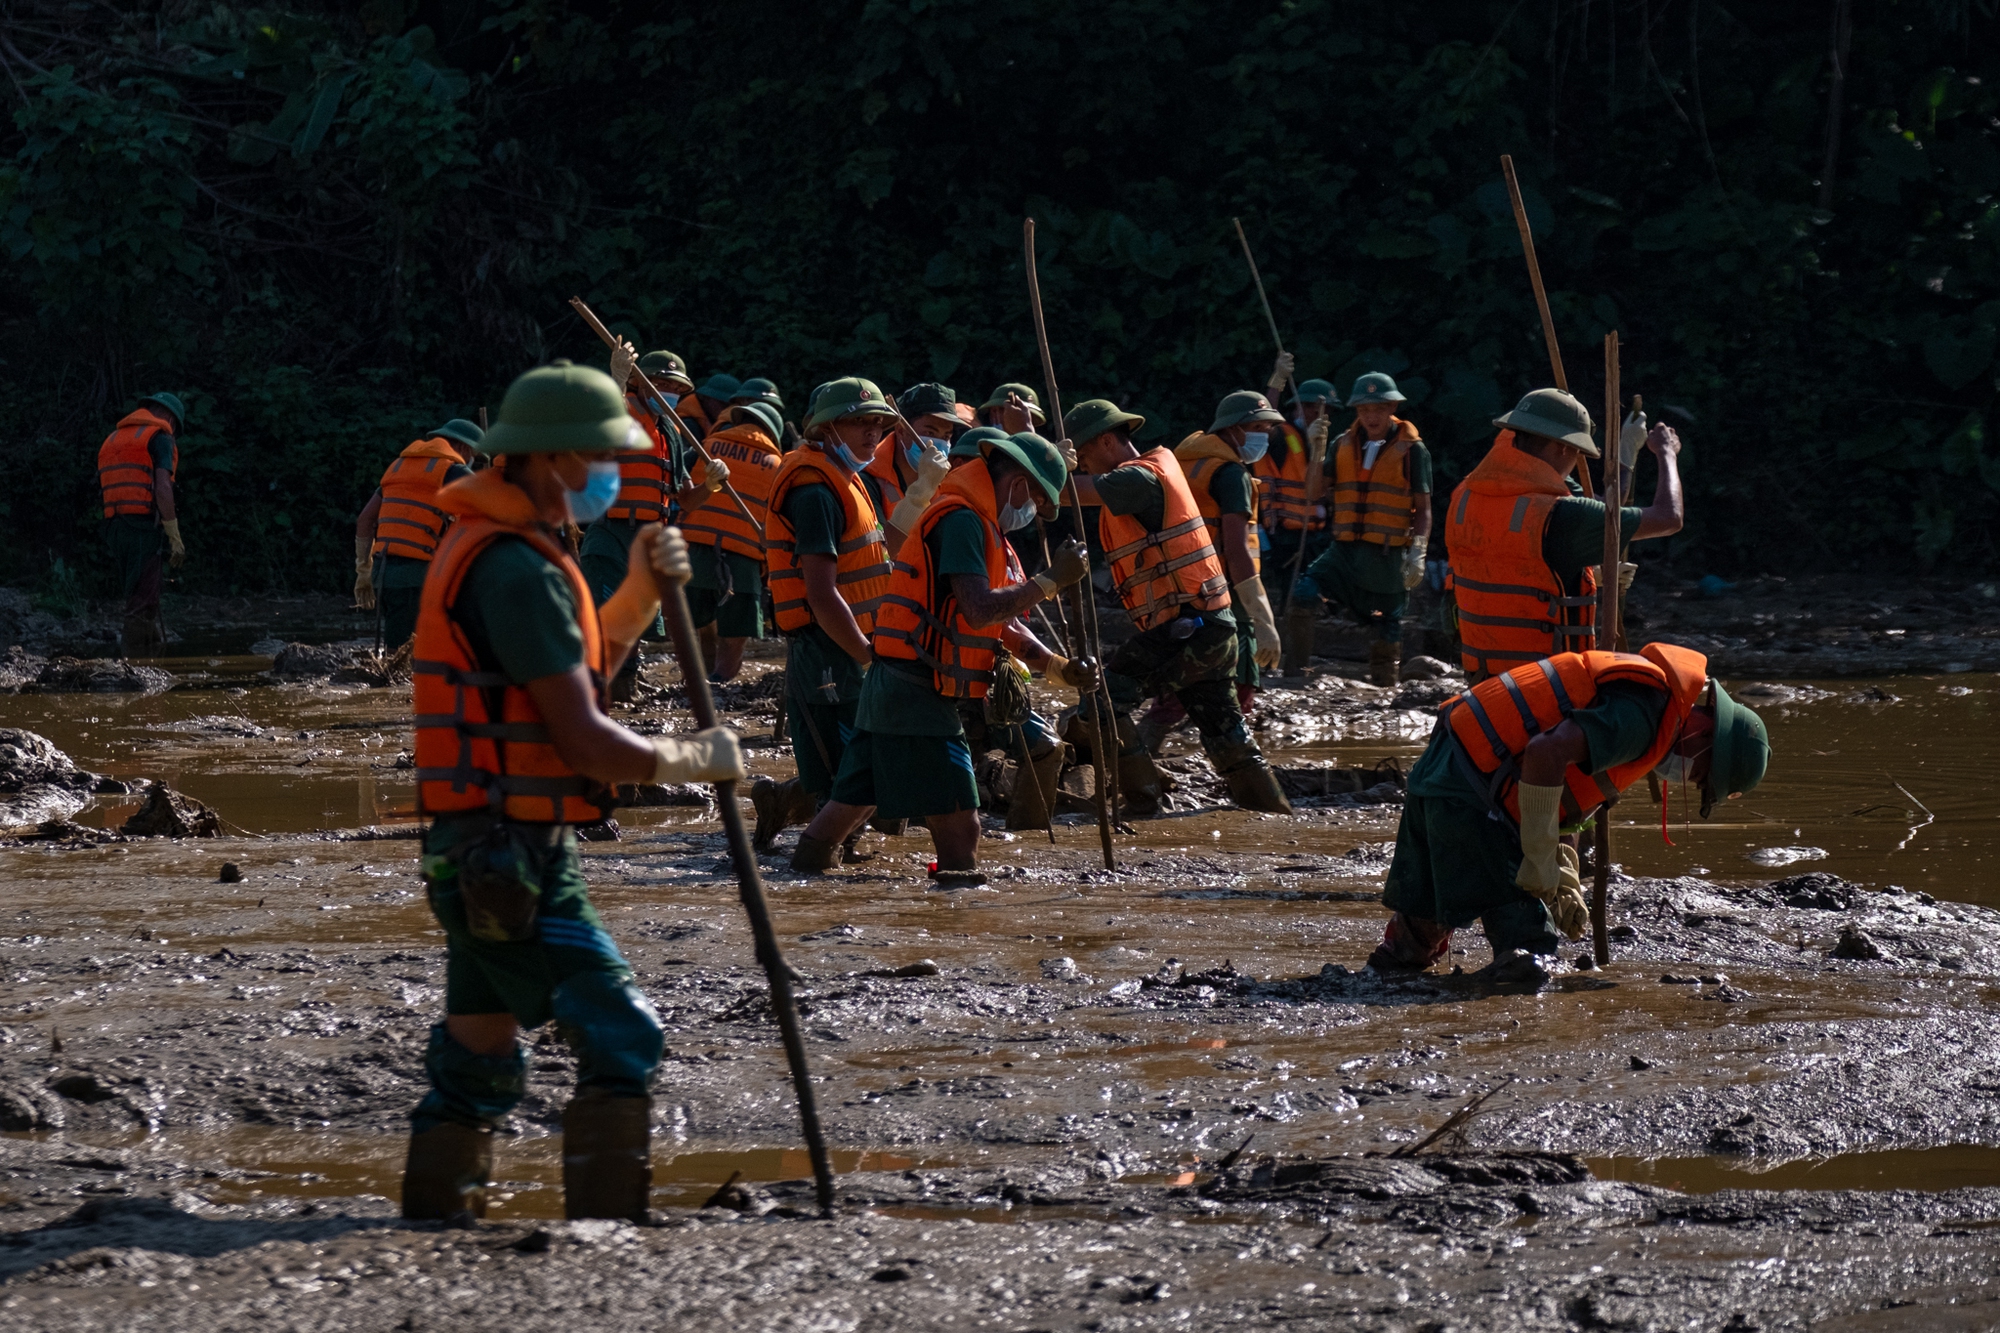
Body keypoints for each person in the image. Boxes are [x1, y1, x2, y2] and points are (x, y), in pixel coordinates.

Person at [400, 359, 746, 1223]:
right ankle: (606, 1229)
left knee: (480, 1047)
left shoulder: (505, 549)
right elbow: (584, 738)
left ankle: (437, 1214)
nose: (612, 474)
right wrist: (691, 759)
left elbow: (578, 679)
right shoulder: (514, 569)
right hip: (509, 858)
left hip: (479, 849)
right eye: (600, 455)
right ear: (548, 457)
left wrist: (635, 590)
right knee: (624, 1036)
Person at [792, 433, 1096, 883]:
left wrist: (1056, 666)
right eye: (1033, 495)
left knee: (850, 802)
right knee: (960, 822)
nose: (1032, 508)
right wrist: (1051, 580)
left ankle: (799, 881)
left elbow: (1003, 624)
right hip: (916, 691)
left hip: (895, 685)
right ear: (1015, 482)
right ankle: (960, 909)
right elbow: (979, 610)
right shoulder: (962, 521)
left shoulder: (982, 523)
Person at [1366, 642, 1768, 981]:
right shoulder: (1641, 720)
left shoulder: (1650, 705)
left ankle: (1385, 979)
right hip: (1471, 791)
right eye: (1700, 776)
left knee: (1423, 919)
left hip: (1450, 767)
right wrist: (1539, 855)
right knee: (1529, 951)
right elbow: (1546, 752)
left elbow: (1565, 790)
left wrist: (1565, 869)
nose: (1689, 781)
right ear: (1705, 740)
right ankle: (1510, 1037)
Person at [1064, 398, 1292, 817]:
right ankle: (1273, 815)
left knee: (1098, 704)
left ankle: (1143, 800)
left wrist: (1039, 463)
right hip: (1210, 624)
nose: (1081, 466)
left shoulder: (1136, 478)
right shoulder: (1150, 472)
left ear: (1106, 441)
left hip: (1186, 627)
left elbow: (1065, 494)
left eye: (1082, 455)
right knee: (1227, 735)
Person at [750, 378, 897, 861]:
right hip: (828, 646)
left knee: (860, 759)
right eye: (859, 423)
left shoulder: (848, 478)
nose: (872, 434)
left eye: (878, 425)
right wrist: (867, 655)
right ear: (827, 428)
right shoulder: (814, 489)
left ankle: (791, 812)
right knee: (845, 766)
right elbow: (820, 591)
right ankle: (820, 851)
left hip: (853, 640)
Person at [1445, 389, 1683, 682]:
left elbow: (1513, 564)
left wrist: (1625, 461)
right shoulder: (1562, 515)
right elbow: (1668, 517)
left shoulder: (1464, 496)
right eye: (1577, 451)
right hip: (1545, 689)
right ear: (1562, 449)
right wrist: (1666, 453)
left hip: (1482, 684)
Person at [587, 342, 728, 701]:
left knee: (637, 620)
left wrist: (710, 485)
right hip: (612, 533)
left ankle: (624, 687)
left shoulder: (671, 433)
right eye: (661, 384)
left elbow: (685, 499)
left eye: (677, 389)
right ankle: (599, 692)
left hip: (650, 538)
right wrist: (616, 377)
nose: (670, 393)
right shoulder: (624, 411)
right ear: (641, 383)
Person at [1290, 373, 1435, 686]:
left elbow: (1423, 509)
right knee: (1302, 594)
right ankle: (1294, 676)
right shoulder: (1341, 443)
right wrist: (1315, 450)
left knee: (1386, 626)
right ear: (1356, 411)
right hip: (1343, 550)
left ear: (1392, 407)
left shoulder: (1412, 450)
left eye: (1379, 409)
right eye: (1365, 409)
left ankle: (1386, 690)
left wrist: (1418, 550)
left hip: (1386, 553)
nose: (1371, 416)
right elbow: (1314, 492)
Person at [1174, 391, 1286, 711]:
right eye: (1259, 428)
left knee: (1179, 679)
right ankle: (1236, 756)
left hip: (1182, 584)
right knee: (1240, 687)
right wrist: (1263, 618)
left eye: (1268, 429)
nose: (1265, 437)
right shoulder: (1232, 475)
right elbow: (1237, 551)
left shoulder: (1186, 462)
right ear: (1233, 429)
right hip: (1225, 590)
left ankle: (1143, 750)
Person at [353, 419, 482, 650]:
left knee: (403, 648)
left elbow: (365, 519)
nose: (472, 461)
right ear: (463, 448)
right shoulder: (452, 470)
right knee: (406, 655)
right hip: (415, 578)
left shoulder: (398, 467)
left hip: (383, 577)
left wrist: (363, 569)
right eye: (474, 455)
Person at [680, 400, 783, 682]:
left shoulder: (706, 448)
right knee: (734, 638)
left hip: (695, 554)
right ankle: (720, 686)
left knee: (696, 627)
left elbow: (678, 484)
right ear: (773, 433)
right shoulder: (778, 465)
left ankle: (696, 683)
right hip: (744, 559)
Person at [96, 391, 186, 656]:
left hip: (115, 527)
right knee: (141, 603)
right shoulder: (159, 437)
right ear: (170, 417)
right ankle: (133, 672)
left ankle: (152, 658)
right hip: (141, 528)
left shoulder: (113, 439)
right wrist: (173, 532)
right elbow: (162, 487)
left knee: (141, 596)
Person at [1257, 377, 1338, 614]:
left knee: (1320, 593)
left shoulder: (1322, 440)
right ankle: (1289, 639)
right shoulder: (1282, 435)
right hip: (1286, 536)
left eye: (1325, 411)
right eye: (1313, 408)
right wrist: (1276, 383)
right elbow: (1263, 427)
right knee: (1293, 594)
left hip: (1316, 534)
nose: (1319, 414)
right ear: (1298, 406)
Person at [977, 383, 1046, 433]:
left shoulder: (1045, 449)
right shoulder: (984, 446)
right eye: (993, 411)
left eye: (1002, 410)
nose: (996, 417)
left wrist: (1025, 430)